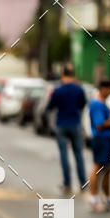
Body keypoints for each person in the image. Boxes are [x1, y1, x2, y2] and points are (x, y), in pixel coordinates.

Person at [47, 65, 87, 193]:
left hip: (61, 124)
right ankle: (83, 182)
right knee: (79, 154)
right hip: (75, 124)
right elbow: (83, 104)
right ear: (73, 75)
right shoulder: (79, 89)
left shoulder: (58, 90)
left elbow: (50, 106)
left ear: (63, 75)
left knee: (64, 155)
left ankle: (67, 183)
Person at [88, 79, 110, 212]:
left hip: (107, 139)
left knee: (108, 169)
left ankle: (107, 199)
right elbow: (100, 124)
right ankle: (93, 198)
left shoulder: (102, 103)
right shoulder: (97, 104)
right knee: (98, 167)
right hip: (101, 139)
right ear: (104, 89)